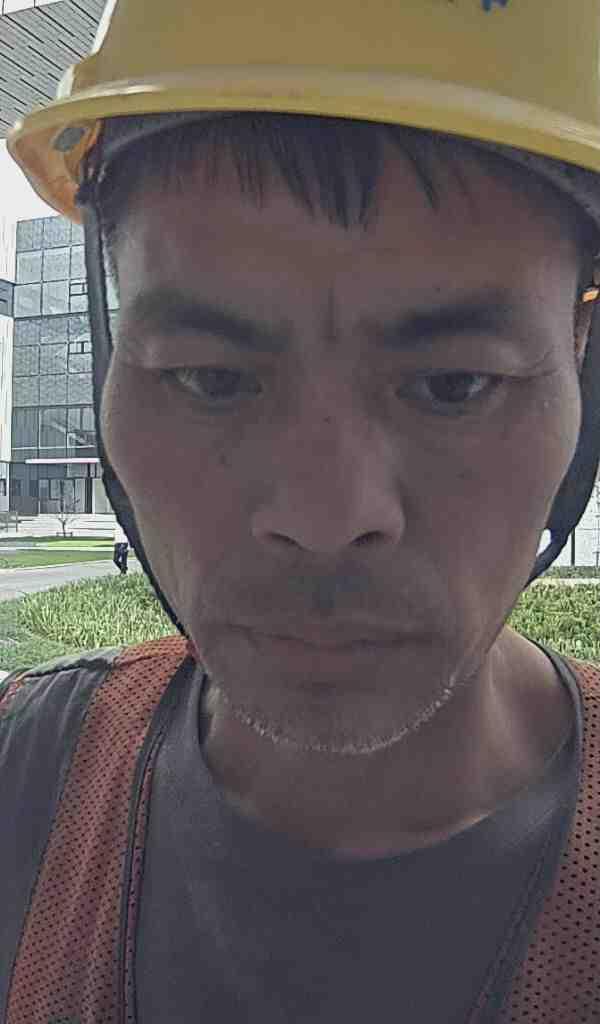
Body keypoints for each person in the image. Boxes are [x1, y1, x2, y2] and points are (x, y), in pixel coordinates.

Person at [1, 1, 600, 1020]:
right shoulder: (24, 780)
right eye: (208, 378)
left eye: (454, 384)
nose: (326, 517)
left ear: (583, 366)